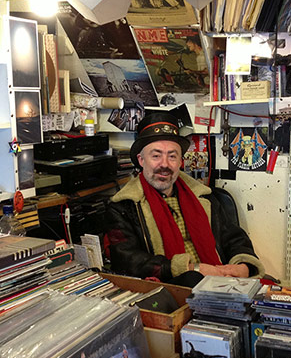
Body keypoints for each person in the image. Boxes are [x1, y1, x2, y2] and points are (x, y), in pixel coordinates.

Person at [105, 112, 265, 286]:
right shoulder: (123, 206)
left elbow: (233, 237)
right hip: (170, 287)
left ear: (181, 161)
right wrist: (190, 269)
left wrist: (243, 265)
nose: (164, 164)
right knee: (192, 279)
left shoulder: (204, 197)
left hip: (220, 279)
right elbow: (128, 261)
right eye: (156, 155)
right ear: (141, 160)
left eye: (172, 156)